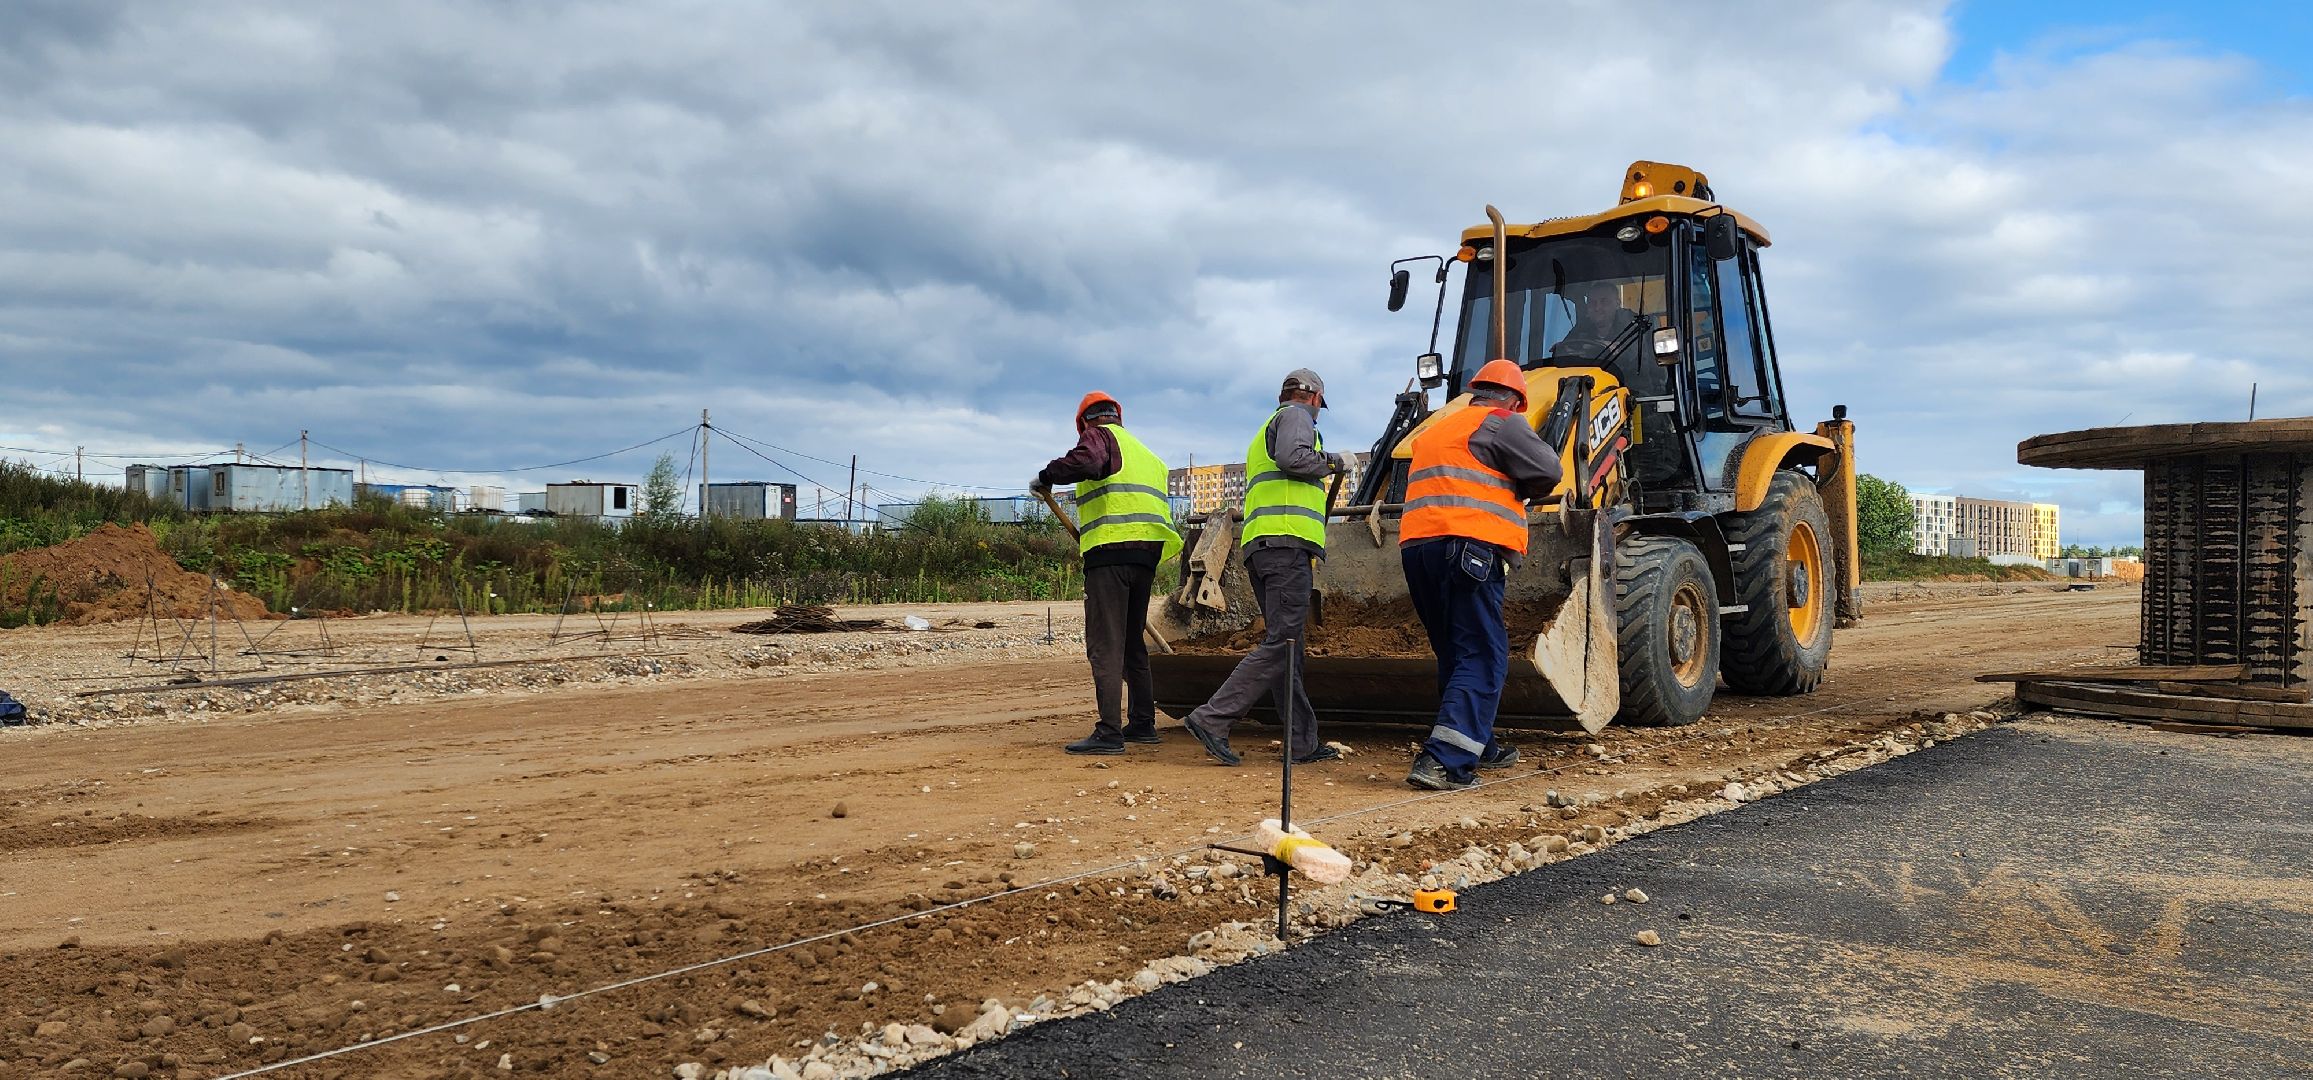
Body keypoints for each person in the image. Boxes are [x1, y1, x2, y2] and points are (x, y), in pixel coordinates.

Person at [1399, 359, 1564, 790]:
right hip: (1468, 548)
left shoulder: (1438, 429)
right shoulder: (1501, 422)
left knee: (1456, 653)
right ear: (1514, 400)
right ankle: (1443, 760)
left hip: (1418, 550)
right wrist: (1522, 488)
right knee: (1483, 654)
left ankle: (1478, 743)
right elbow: (1549, 470)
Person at [1183, 368, 1352, 767]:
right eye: (1319, 405)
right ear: (1313, 398)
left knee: (1288, 648)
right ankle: (1212, 718)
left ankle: (1302, 742)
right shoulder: (1296, 416)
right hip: (1285, 546)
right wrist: (1332, 461)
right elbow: (1293, 458)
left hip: (1265, 547)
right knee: (1283, 644)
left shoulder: (1265, 429)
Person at [1033, 392, 1182, 755]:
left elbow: (1086, 460)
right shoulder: (1147, 455)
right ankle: (1143, 723)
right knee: (1131, 642)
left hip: (1110, 555)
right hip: (1145, 556)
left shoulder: (1100, 436)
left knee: (1105, 644)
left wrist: (1046, 476)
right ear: (1118, 415)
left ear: (1084, 422)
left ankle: (1109, 732)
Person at [1551, 281, 1641, 363]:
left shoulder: (1633, 325)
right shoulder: (1582, 328)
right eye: (1592, 302)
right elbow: (1568, 346)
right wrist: (1562, 349)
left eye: (1604, 302)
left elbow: (1638, 356)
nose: (1597, 308)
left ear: (1617, 304)